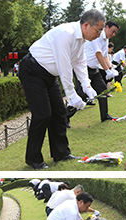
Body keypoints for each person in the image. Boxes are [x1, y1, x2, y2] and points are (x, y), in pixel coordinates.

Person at [18, 9, 105, 169]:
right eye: (98, 30)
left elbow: (80, 62)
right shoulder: (66, 34)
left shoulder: (81, 40)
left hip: (49, 74)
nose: (99, 35)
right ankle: (33, 158)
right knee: (43, 114)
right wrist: (72, 95)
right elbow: (64, 67)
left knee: (59, 113)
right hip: (32, 70)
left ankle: (61, 153)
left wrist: (87, 86)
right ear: (86, 25)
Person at [84, 21, 120, 122]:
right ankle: (65, 117)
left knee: (103, 90)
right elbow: (98, 54)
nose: (113, 34)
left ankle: (104, 116)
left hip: (94, 69)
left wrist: (111, 68)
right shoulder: (97, 35)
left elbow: (105, 56)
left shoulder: (106, 40)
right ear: (106, 27)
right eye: (113, 31)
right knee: (81, 95)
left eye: (115, 33)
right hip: (84, 69)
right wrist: (107, 70)